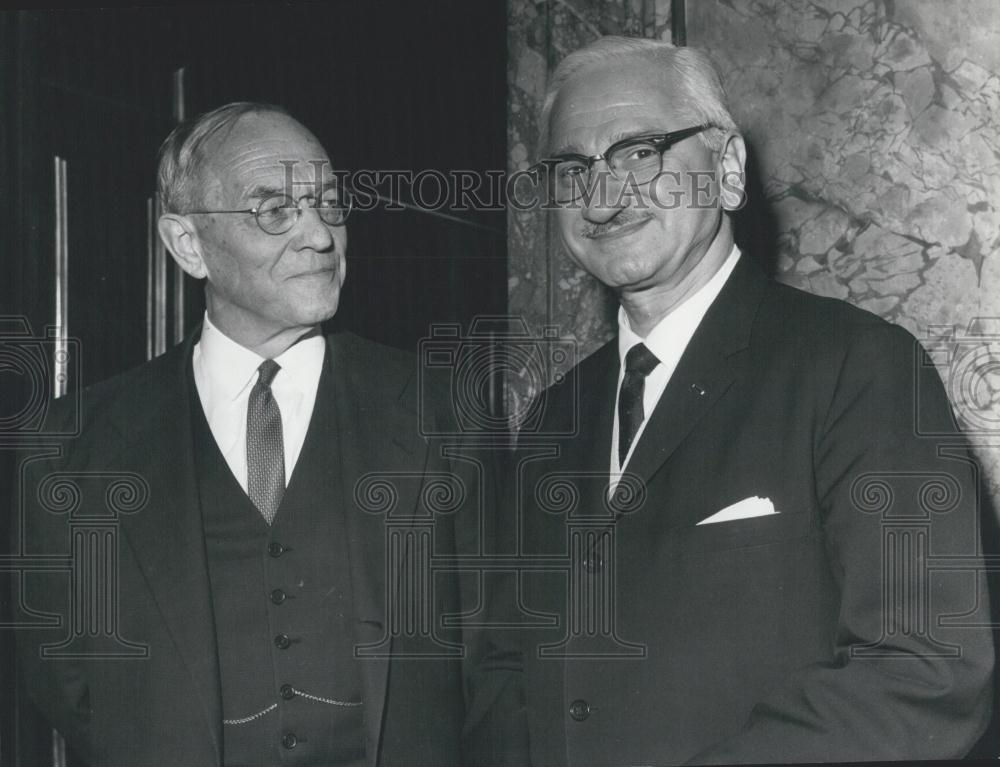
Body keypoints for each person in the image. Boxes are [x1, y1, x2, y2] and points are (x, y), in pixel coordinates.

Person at [514, 36, 994, 765]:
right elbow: (507, 674)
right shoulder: (553, 414)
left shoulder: (857, 367)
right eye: (573, 168)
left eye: (641, 151)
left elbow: (926, 668)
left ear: (729, 170)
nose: (603, 195)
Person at [15, 102, 515, 766]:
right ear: (187, 243)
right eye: (275, 210)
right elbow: (71, 686)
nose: (319, 236)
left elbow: (496, 662)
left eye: (329, 204)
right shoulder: (69, 449)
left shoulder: (445, 412)